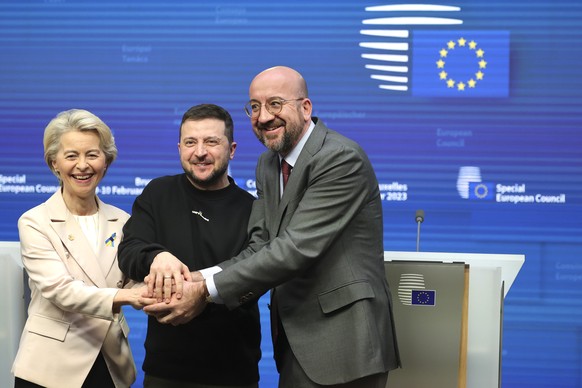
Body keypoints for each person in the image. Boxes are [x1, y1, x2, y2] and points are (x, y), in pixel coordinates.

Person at [143, 66, 401, 387]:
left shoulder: (340, 158)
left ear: (305, 108)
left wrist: (205, 293)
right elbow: (261, 245)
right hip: (296, 340)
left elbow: (294, 249)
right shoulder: (269, 163)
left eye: (275, 104)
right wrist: (194, 279)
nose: (263, 117)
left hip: (345, 340)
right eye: (254, 107)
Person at [117, 104, 261, 388]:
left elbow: (254, 277)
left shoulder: (253, 209)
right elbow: (129, 250)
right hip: (165, 370)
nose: (200, 152)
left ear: (231, 149)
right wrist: (157, 257)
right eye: (190, 142)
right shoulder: (158, 193)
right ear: (179, 147)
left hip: (233, 372)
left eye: (211, 142)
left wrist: (202, 295)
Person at [12, 109, 154, 388]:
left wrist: (157, 288)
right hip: (50, 368)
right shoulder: (34, 221)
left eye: (92, 155)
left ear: (106, 161)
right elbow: (60, 290)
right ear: (54, 163)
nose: (83, 165)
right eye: (71, 156)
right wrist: (128, 296)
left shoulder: (123, 221)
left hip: (110, 363)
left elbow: (132, 280)